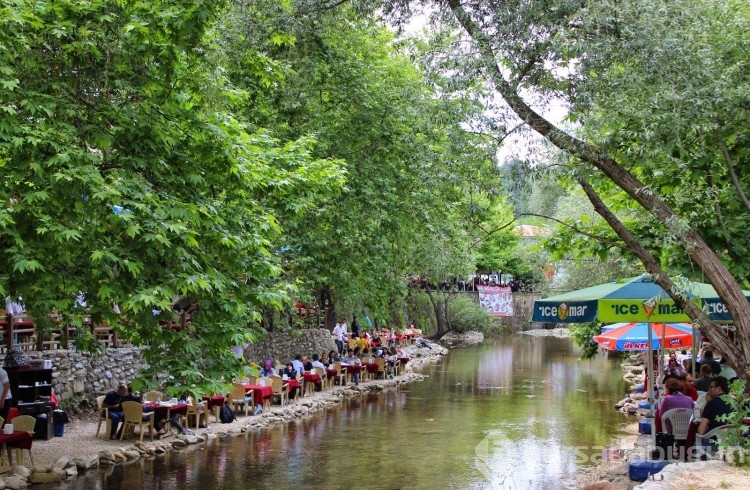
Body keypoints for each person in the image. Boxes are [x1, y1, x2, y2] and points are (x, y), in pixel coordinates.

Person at [697, 376, 733, 457]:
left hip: (714, 444)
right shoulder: (735, 403)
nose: (709, 390)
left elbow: (701, 431)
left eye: (711, 387)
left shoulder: (712, 403)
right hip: (733, 444)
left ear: (719, 388)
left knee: (697, 439)